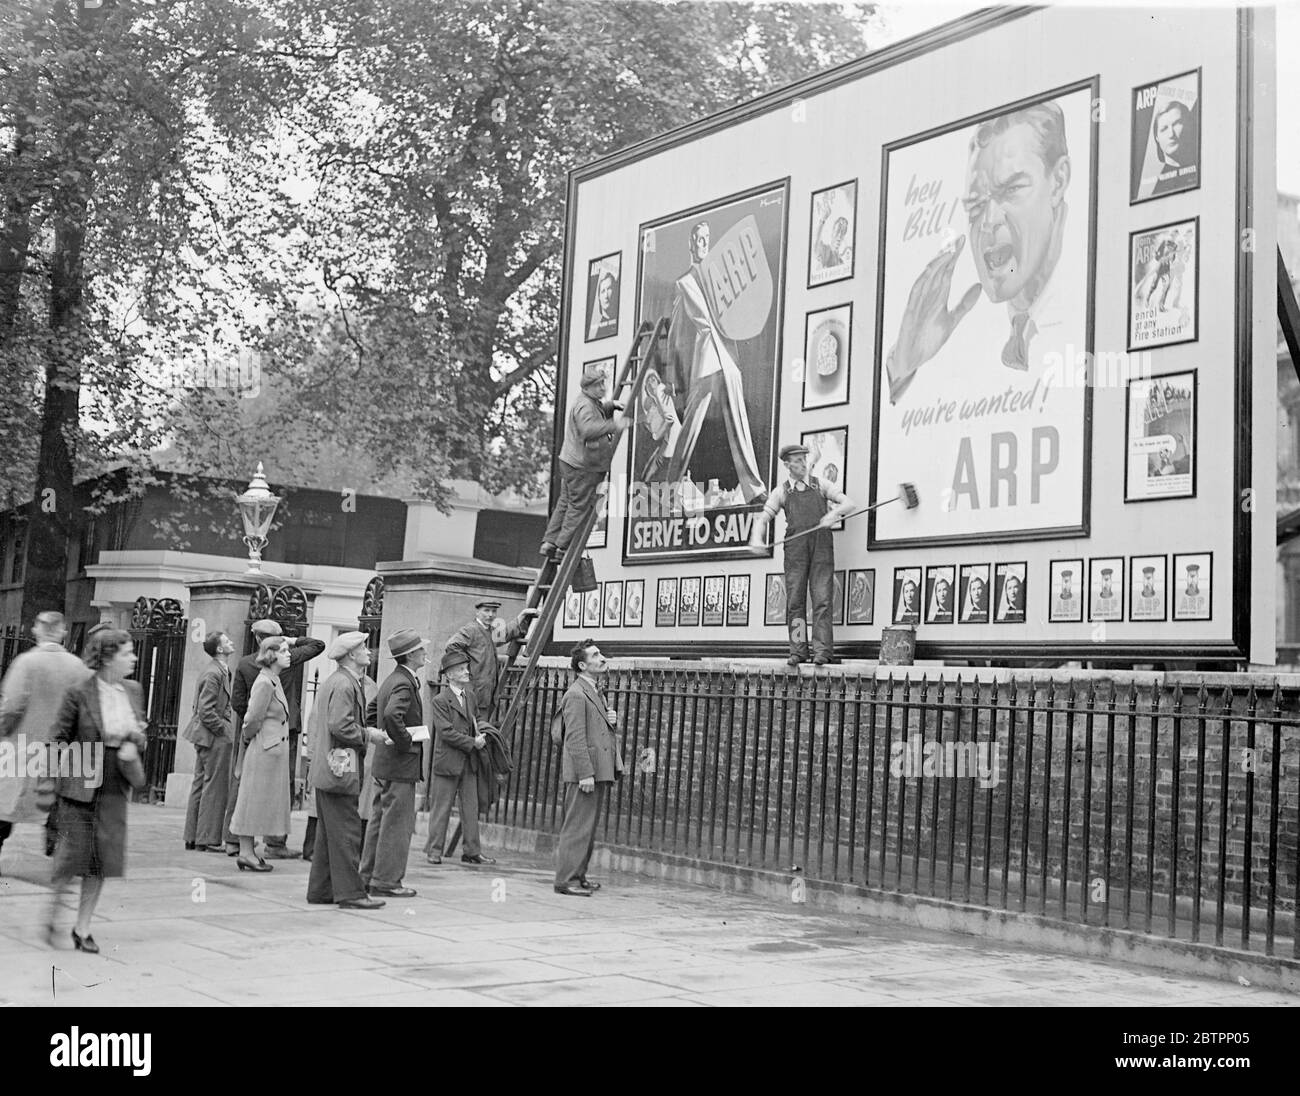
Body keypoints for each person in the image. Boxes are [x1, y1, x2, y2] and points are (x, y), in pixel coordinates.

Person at [886, 100, 1075, 402]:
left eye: (1011, 190)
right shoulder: (962, 329)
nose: (988, 223)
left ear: (1058, 182)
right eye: (975, 206)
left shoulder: (1087, 301)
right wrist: (905, 363)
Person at [46, 627, 149, 953]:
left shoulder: (133, 690)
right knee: (71, 857)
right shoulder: (79, 691)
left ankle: (82, 927)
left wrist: (135, 742)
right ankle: (54, 911)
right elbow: (57, 738)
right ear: (106, 657)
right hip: (79, 784)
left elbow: (141, 731)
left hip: (115, 783)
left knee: (101, 861)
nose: (133, 657)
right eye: (126, 653)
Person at [663, 220, 767, 503]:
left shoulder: (721, 276)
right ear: (690, 243)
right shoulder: (683, 283)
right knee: (691, 426)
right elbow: (675, 330)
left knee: (739, 421)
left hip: (728, 357)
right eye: (699, 239)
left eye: (707, 238)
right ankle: (671, 489)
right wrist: (672, 373)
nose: (703, 243)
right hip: (706, 360)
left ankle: (754, 489)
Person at [225, 619, 324, 858]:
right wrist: (291, 640)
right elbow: (318, 645)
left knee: (245, 785)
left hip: (260, 732)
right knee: (273, 789)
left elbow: (238, 701)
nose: (286, 651)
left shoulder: (246, 663)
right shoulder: (286, 657)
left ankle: (233, 841)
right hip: (274, 733)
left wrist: (254, 727)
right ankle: (274, 842)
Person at [0, 611, 90, 873]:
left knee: (7, 802)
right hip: (62, 748)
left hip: (23, 745)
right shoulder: (79, 667)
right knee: (57, 804)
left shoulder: (25, 663)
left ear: (36, 630)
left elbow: (12, 705)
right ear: (63, 632)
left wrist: (4, 733)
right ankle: (60, 855)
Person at [750, 443, 855, 665]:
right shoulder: (781, 492)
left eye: (804, 459)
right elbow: (762, 519)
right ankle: (798, 650)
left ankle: (822, 652)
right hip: (795, 551)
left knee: (822, 600)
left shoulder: (821, 485)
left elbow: (849, 503)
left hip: (821, 548)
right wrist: (757, 539)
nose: (803, 463)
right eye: (797, 460)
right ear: (787, 465)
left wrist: (833, 514)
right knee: (795, 602)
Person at [306, 631, 387, 909]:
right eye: (364, 647)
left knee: (329, 833)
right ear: (351, 655)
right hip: (340, 765)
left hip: (332, 764)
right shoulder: (345, 684)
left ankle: (321, 889)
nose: (368, 651)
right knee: (347, 831)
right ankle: (351, 894)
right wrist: (370, 735)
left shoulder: (340, 680)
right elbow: (340, 726)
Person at [358, 629, 426, 898]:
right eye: (421, 649)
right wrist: (404, 742)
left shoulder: (392, 679)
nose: (424, 653)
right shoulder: (404, 682)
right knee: (396, 825)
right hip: (400, 765)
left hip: (385, 763)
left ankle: (369, 875)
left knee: (379, 821)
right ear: (410, 654)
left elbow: (373, 712)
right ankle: (386, 881)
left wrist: (384, 736)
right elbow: (390, 714)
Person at [540, 361, 630, 559]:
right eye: (599, 385)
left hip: (572, 462)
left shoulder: (588, 402)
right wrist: (615, 425)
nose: (603, 388)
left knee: (566, 502)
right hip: (583, 466)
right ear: (588, 387)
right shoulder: (585, 406)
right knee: (578, 506)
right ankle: (562, 548)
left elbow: (594, 415)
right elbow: (587, 430)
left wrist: (610, 406)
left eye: (603, 384)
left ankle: (549, 542)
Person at [554, 640, 624, 897]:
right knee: (577, 826)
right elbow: (574, 737)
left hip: (598, 771)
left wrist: (610, 720)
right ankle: (566, 879)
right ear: (583, 665)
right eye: (596, 655)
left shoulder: (594, 691)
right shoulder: (575, 694)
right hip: (586, 773)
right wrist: (585, 774)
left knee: (588, 827)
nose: (602, 658)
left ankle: (579, 874)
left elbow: (595, 729)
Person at [425, 648, 494, 867]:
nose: (467, 672)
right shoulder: (440, 700)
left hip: (468, 762)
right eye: (461, 670)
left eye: (466, 668)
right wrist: (472, 742)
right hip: (448, 761)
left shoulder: (471, 696)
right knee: (441, 808)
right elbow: (445, 732)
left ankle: (472, 851)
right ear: (449, 675)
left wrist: (483, 732)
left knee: (471, 808)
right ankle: (434, 851)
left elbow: (476, 720)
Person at [229, 636, 292, 873]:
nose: (289, 654)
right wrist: (250, 741)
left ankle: (248, 852)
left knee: (258, 802)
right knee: (252, 802)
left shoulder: (273, 679)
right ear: (271, 654)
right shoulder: (264, 682)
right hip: (263, 750)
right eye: (283, 650)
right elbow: (252, 719)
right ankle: (246, 852)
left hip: (271, 751)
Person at [181, 631, 236, 853]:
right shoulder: (215, 673)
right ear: (220, 649)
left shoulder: (218, 670)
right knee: (214, 786)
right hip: (212, 736)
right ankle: (208, 838)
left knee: (200, 783)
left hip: (204, 735)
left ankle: (193, 836)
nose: (231, 642)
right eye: (227, 641)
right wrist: (223, 729)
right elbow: (206, 709)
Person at [443, 600, 537, 723]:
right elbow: (451, 645)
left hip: (487, 692)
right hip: (473, 689)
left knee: (481, 728)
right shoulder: (470, 630)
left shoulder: (490, 630)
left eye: (493, 611)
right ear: (477, 612)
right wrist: (466, 666)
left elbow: (505, 633)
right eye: (486, 610)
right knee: (471, 728)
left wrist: (522, 615)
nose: (490, 615)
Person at [588, 268, 617, 340]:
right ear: (599, 297)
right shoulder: (596, 331)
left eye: (609, 289)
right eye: (603, 291)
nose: (606, 296)